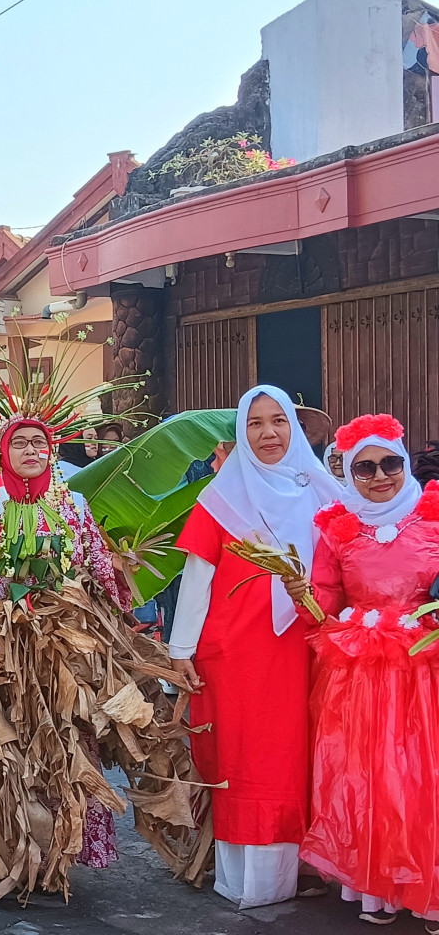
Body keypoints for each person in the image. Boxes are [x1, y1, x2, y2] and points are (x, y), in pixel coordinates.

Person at [0, 360, 198, 901]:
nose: (32, 451)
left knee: (65, 744)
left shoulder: (73, 504)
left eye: (39, 442)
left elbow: (97, 567)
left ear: (51, 448)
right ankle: (11, 848)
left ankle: (62, 847)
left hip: (64, 647)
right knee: (5, 748)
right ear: (3, 453)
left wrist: (114, 615)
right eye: (21, 444)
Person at [168, 385, 341, 908]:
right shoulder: (222, 497)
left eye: (278, 421)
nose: (268, 433)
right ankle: (251, 881)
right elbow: (196, 580)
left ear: (295, 428)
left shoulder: (324, 493)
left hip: (305, 649)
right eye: (255, 424)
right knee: (248, 758)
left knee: (300, 755)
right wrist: (180, 650)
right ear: (241, 434)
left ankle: (310, 867)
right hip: (238, 653)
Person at [287, 415, 439, 929]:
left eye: (390, 463)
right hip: (361, 671)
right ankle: (379, 887)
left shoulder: (434, 514)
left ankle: (430, 884)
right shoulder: (337, 528)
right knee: (370, 775)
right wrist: (302, 596)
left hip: (425, 667)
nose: (380, 476)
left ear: (405, 461)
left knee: (425, 775)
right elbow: (325, 599)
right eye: (365, 467)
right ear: (350, 474)